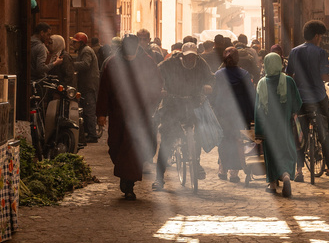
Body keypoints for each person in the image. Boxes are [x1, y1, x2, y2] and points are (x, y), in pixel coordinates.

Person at [96, 34, 163, 200]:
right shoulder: (113, 63)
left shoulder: (147, 62)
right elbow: (104, 88)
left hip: (140, 113)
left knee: (134, 148)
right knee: (116, 145)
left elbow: (157, 85)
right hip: (119, 113)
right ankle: (126, 176)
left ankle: (129, 183)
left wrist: (151, 105)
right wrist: (101, 113)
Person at [286, 20, 329, 182]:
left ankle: (298, 171)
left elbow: (289, 74)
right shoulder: (320, 52)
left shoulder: (294, 52)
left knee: (298, 133)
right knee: (326, 131)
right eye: (321, 36)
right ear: (317, 36)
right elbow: (324, 76)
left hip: (300, 100)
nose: (321, 39)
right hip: (318, 98)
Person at [153, 42, 212, 191]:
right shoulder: (170, 63)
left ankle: (196, 162)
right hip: (173, 102)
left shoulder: (201, 63)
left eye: (193, 56)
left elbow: (211, 77)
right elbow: (157, 73)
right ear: (183, 56)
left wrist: (208, 86)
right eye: (188, 56)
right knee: (167, 138)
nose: (191, 59)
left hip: (193, 101)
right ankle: (159, 179)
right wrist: (161, 88)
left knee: (199, 131)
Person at [255, 52, 302, 197]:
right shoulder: (289, 81)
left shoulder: (262, 83)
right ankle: (286, 174)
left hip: (269, 129)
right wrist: (291, 111)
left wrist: (258, 132)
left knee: (271, 154)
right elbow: (298, 103)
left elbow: (258, 110)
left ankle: (273, 184)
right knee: (286, 151)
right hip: (286, 126)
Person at [211, 47, 255, 182]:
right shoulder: (245, 74)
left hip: (222, 113)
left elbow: (213, 95)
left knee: (224, 140)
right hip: (240, 113)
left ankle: (222, 168)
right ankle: (234, 173)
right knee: (238, 141)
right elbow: (251, 96)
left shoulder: (218, 74)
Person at [72, 32, 100, 144]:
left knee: (89, 110)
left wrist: (70, 64)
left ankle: (93, 135)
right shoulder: (82, 51)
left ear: (81, 43)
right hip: (85, 85)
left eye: (75, 42)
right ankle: (89, 133)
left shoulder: (86, 51)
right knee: (86, 109)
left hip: (89, 85)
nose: (73, 44)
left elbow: (85, 64)